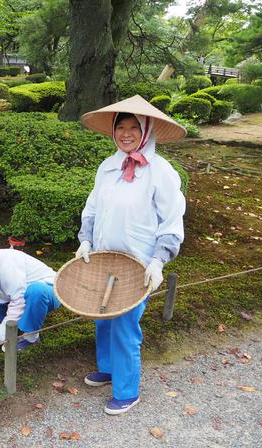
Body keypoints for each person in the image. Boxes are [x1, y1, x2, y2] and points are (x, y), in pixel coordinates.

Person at [75, 95, 187, 415]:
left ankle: (127, 390)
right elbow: (92, 208)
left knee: (125, 323)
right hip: (104, 258)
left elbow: (171, 219)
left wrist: (158, 260)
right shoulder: (107, 167)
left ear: (147, 130)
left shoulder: (160, 172)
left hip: (139, 263)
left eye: (133, 127)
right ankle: (109, 369)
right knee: (104, 316)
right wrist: (85, 240)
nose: (126, 133)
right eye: (120, 127)